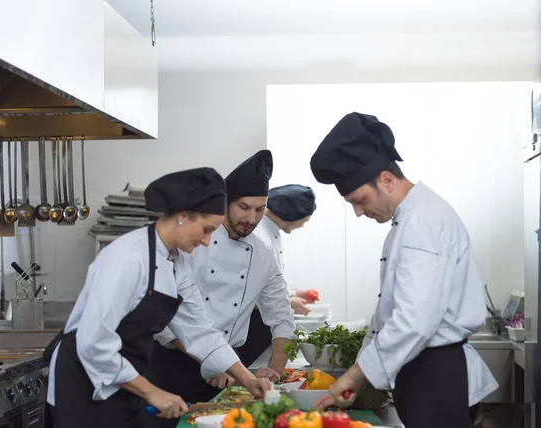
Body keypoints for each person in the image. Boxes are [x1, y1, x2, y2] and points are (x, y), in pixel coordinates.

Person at [309, 112, 498, 428]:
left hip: (435, 373)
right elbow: (388, 312)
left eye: (360, 200)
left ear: (385, 179)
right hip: (425, 371)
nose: (358, 212)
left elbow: (414, 319)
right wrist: (359, 375)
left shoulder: (421, 221)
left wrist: (357, 374)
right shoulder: (411, 218)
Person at [46, 167, 271, 428]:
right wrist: (151, 391)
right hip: (84, 381)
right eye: (206, 229)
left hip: (125, 377)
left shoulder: (176, 262)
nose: (208, 241)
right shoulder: (127, 257)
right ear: (183, 216)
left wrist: (248, 379)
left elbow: (199, 331)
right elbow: (93, 342)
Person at [146, 150, 296, 428]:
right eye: (243, 207)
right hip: (175, 367)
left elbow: (282, 318)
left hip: (226, 369)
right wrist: (221, 364)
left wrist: (272, 370)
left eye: (260, 210)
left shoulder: (263, 255)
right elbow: (170, 323)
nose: (252, 218)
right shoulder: (188, 244)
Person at [254, 184, 319, 316]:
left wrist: (293, 294)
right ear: (293, 214)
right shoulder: (260, 237)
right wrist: (287, 303)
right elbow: (248, 294)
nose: (301, 226)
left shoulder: (270, 230)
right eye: (304, 221)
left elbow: (268, 285)